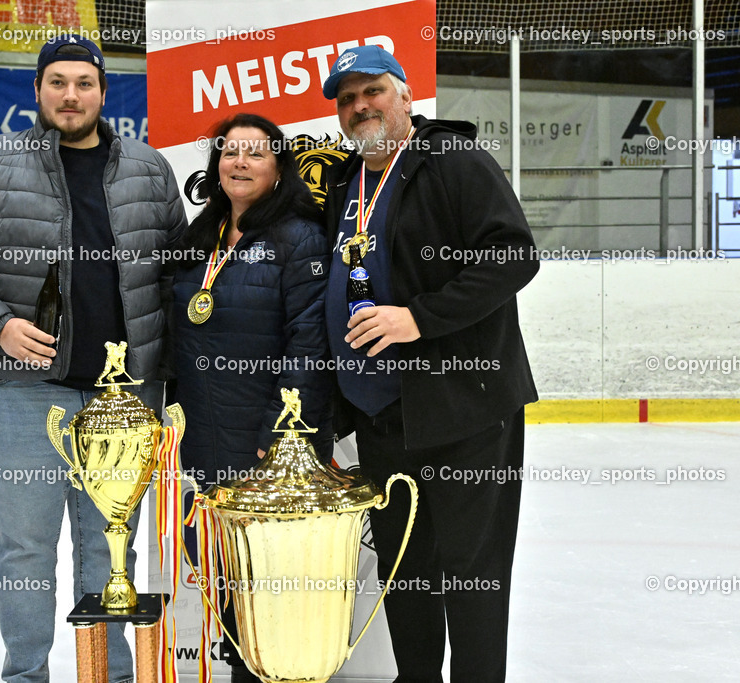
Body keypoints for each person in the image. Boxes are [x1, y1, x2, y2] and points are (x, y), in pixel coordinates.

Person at [0, 35, 187, 683]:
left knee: (111, 546)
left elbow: (179, 275)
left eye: (84, 83)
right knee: (24, 548)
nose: (71, 95)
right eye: (57, 82)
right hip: (22, 394)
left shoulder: (149, 169)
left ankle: (111, 673)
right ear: (37, 90)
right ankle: (26, 672)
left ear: (103, 91)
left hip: (125, 403)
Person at [320, 45, 539, 683]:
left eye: (373, 92)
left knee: (471, 571)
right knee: (403, 571)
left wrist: (417, 319)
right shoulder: (346, 182)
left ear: (406, 97)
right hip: (384, 419)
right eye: (347, 99)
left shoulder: (454, 161)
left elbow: (512, 255)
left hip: (464, 411)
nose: (360, 107)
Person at [170, 113, 332, 683]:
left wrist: (278, 430)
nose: (239, 163)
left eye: (255, 154)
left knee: (271, 583)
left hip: (264, 442)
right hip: (207, 439)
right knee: (224, 580)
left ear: (278, 168)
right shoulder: (201, 235)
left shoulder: (299, 237)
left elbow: (310, 341)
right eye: (229, 152)